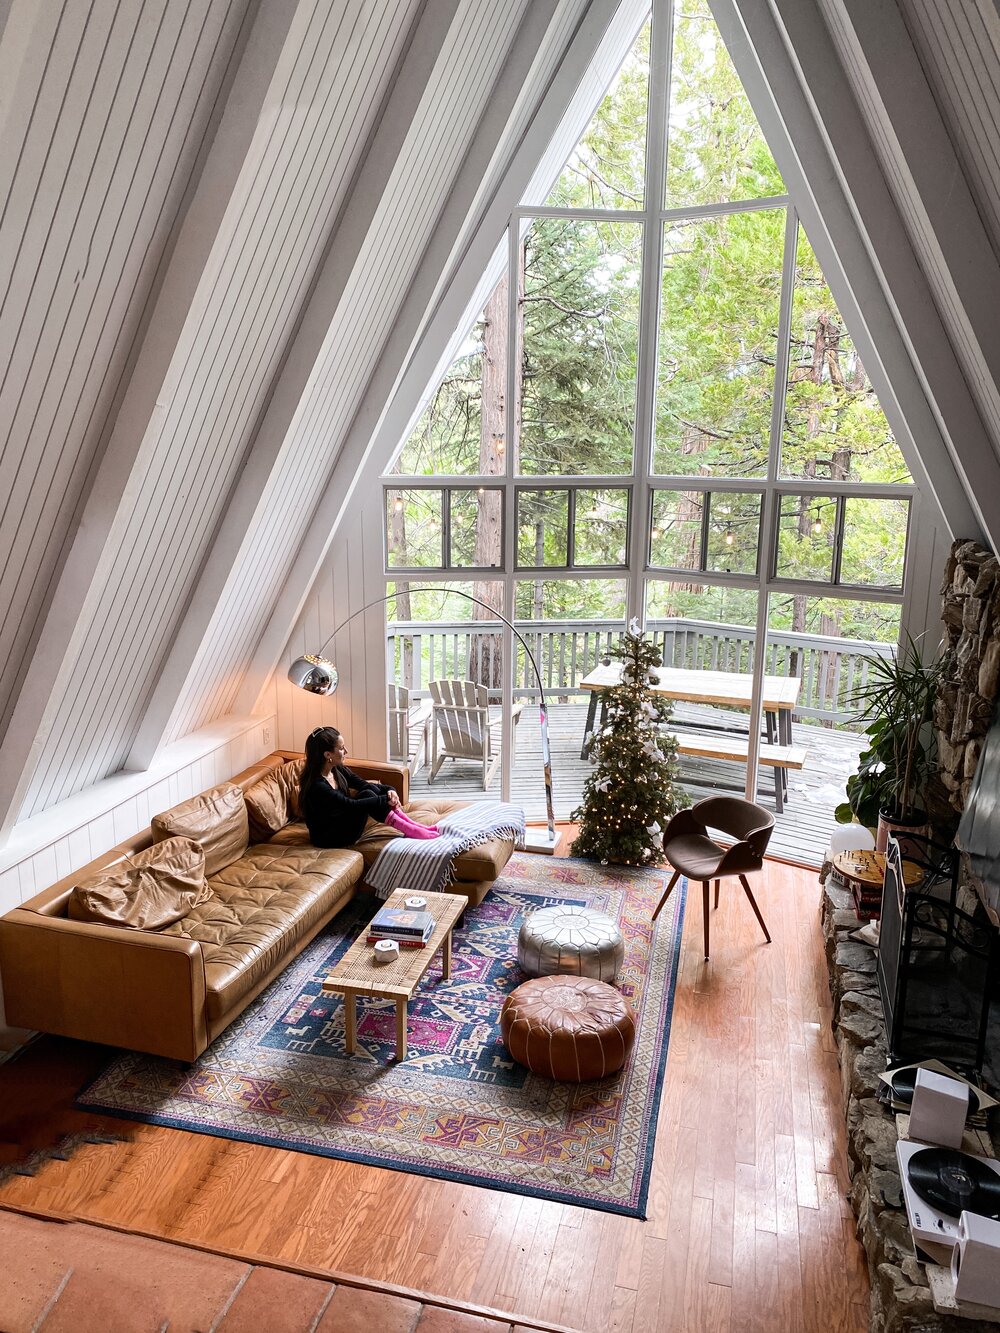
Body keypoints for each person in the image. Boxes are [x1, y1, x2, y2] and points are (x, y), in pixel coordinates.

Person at [299, 726, 440, 849]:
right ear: (327, 754)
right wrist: (384, 799)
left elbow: (363, 784)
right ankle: (411, 829)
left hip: (341, 822)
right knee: (368, 796)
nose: (346, 751)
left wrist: (390, 790)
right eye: (341, 748)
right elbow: (350, 805)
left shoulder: (337, 770)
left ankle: (413, 827)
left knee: (368, 791)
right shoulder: (317, 786)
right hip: (329, 837)